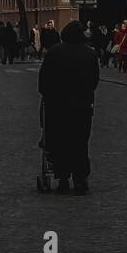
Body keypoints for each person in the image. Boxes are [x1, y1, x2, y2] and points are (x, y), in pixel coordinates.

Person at [38, 19, 100, 194]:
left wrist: (47, 95)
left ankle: (63, 177)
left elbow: (43, 80)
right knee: (80, 142)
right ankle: (80, 179)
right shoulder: (89, 54)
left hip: (57, 105)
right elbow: (94, 79)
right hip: (82, 106)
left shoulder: (54, 52)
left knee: (60, 140)